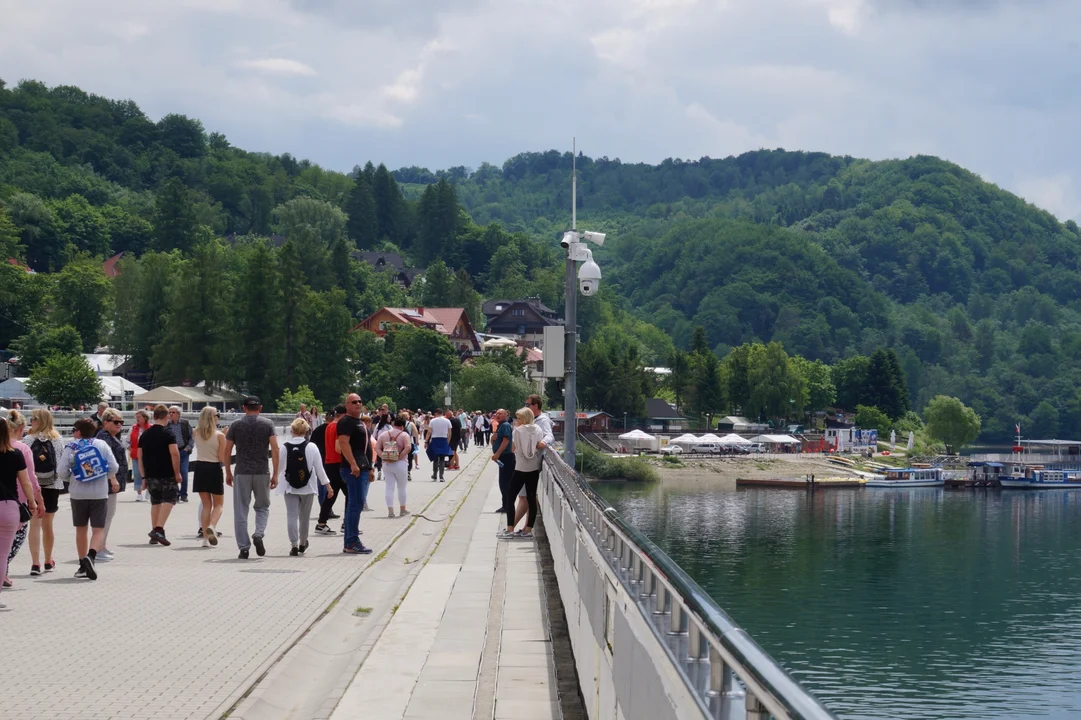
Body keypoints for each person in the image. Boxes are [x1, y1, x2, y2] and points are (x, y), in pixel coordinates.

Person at [59, 418, 119, 579]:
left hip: (78, 494)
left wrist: (72, 478)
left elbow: (61, 471)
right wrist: (101, 476)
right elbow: (114, 467)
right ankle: (91, 556)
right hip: (99, 493)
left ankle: (81, 566)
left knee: (81, 529)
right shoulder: (101, 444)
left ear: (78, 431)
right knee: (98, 529)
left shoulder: (71, 446)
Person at [225, 396, 279, 559]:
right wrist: (275, 473)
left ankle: (244, 548)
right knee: (262, 507)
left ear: (244, 408)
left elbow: (227, 450)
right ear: (260, 408)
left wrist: (227, 471)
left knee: (241, 510)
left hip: (242, 471)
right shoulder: (267, 424)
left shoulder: (236, 425)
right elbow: (275, 449)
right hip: (262, 471)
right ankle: (259, 533)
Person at [277, 418, 332, 555]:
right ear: (307, 431)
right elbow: (320, 469)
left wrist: (272, 480)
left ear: (292, 431)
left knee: (291, 516)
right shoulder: (312, 447)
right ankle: (303, 542)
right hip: (308, 487)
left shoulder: (284, 447)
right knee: (304, 517)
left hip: (290, 487)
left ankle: (293, 544)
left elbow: (280, 468)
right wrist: (328, 486)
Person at [0, 417, 36, 607]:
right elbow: (26, 482)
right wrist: (32, 502)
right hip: (8, 507)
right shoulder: (15, 454)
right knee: (2, 555)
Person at [5, 410, 43, 587]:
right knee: (14, 540)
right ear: (21, 428)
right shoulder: (22, 449)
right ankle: (3, 570)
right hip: (16, 504)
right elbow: (30, 478)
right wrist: (36, 500)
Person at [26, 409, 63, 575]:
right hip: (52, 485)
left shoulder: (27, 440)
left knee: (34, 524)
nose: (31, 421)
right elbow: (61, 464)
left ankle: (35, 564)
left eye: (33, 419)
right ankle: (48, 560)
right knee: (48, 525)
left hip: (33, 487)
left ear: (39, 421)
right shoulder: (57, 439)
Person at [139, 405, 182, 546]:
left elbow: (140, 457)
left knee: (155, 501)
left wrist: (143, 477)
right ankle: (158, 529)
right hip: (167, 473)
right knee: (170, 499)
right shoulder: (168, 433)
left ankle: (154, 533)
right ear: (166, 416)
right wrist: (177, 473)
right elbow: (174, 453)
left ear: (154, 416)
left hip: (151, 474)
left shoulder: (145, 434)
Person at [336, 393, 373, 554]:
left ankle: (351, 541)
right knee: (355, 504)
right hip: (352, 469)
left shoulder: (359, 422)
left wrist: (370, 468)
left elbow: (365, 447)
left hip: (362, 467)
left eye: (360, 401)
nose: (358, 404)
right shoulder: (346, 422)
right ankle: (351, 541)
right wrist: (353, 464)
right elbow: (343, 444)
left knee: (357, 504)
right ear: (347, 405)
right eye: (354, 402)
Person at [502, 407, 546, 539]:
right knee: (531, 498)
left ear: (524, 418)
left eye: (519, 418)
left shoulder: (518, 431)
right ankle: (528, 530)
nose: (517, 420)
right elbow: (538, 445)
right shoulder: (538, 429)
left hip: (520, 468)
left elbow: (513, 448)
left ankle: (510, 528)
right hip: (534, 468)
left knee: (510, 497)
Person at [95, 408, 128, 562]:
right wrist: (113, 479)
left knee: (108, 515)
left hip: (110, 484)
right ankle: (98, 548)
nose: (119, 424)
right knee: (106, 516)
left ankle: (102, 545)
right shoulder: (104, 438)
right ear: (105, 423)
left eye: (121, 422)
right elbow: (106, 461)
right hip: (107, 484)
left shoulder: (109, 436)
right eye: (116, 422)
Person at [192, 407, 227, 548]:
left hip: (199, 468)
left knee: (206, 505)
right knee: (218, 504)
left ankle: (205, 540)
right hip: (213, 468)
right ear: (214, 417)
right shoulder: (220, 436)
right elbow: (221, 457)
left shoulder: (196, 432)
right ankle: (212, 526)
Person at [315, 405, 346, 535]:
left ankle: (321, 523)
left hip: (329, 462)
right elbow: (339, 447)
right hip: (338, 463)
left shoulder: (328, 427)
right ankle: (347, 523)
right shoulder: (339, 427)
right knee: (351, 495)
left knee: (330, 495)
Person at [377, 414, 411, 517]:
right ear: (403, 426)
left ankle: (390, 511)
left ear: (393, 423)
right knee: (402, 487)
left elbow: (377, 448)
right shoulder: (404, 435)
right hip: (401, 463)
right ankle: (402, 509)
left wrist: (383, 456)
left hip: (387, 463)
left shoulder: (383, 435)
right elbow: (408, 447)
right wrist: (400, 456)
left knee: (389, 487)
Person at [490, 409, 516, 515]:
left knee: (505, 483)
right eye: (496, 414)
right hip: (502, 457)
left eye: (500, 414)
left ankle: (507, 506)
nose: (497, 415)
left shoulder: (505, 425)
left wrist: (497, 454)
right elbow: (496, 441)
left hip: (506, 457)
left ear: (506, 415)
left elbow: (506, 441)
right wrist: (492, 439)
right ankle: (505, 505)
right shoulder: (500, 425)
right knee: (503, 483)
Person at [167, 406, 194, 502]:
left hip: (183, 451)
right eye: (169, 412)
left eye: (173, 412)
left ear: (178, 414)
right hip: (172, 452)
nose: (171, 414)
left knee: (184, 473)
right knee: (173, 473)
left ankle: (183, 494)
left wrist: (188, 448)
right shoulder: (167, 425)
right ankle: (176, 493)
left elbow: (191, 437)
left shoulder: (185, 423)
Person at [426, 410, 453, 481]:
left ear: (436, 413)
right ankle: (441, 476)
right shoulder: (447, 421)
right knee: (442, 459)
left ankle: (435, 474)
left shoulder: (433, 421)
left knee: (435, 458)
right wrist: (448, 441)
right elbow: (449, 433)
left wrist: (426, 441)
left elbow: (429, 432)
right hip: (443, 439)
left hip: (435, 439)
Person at [130, 410, 151, 501]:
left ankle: (149, 491)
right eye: (136, 417)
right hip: (136, 455)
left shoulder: (151, 428)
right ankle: (139, 493)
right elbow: (126, 441)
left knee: (149, 473)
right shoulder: (133, 428)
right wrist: (131, 449)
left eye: (139, 417)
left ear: (145, 418)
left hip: (149, 455)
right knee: (137, 473)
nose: (137, 419)